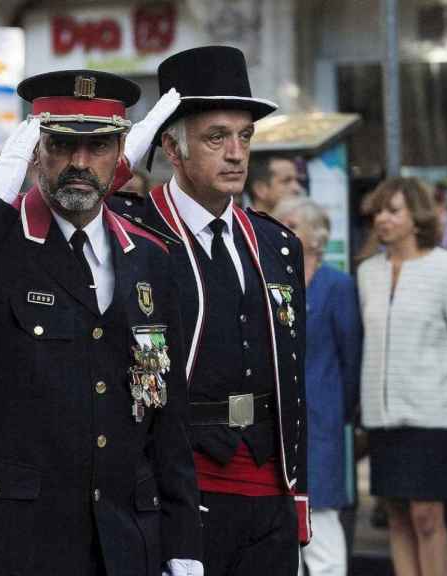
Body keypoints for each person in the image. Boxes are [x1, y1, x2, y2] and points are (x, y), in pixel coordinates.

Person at [0, 69, 202, 575]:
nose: (80, 163)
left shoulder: (149, 255)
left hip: (126, 540)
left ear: (120, 151)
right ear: (35, 150)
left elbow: (167, 415)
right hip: (22, 540)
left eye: (99, 146)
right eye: (62, 145)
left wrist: (183, 541)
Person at [123, 46, 310, 576]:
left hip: (270, 495)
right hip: (180, 492)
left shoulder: (276, 243)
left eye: (244, 136)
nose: (235, 153)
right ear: (173, 148)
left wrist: (298, 500)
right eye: (215, 137)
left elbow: (294, 379)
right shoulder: (134, 234)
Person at [358, 177, 447, 576]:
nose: (382, 219)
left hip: (433, 416)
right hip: (382, 416)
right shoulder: (368, 272)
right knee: (397, 514)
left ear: (417, 216)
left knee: (427, 515)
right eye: (379, 211)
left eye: (393, 210)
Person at [275, 197, 362, 576]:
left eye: (292, 223)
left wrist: (339, 410)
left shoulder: (337, 284)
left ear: (314, 235)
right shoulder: (272, 281)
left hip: (323, 420)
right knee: (281, 525)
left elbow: (352, 357)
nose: (283, 229)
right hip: (278, 421)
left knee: (321, 519)